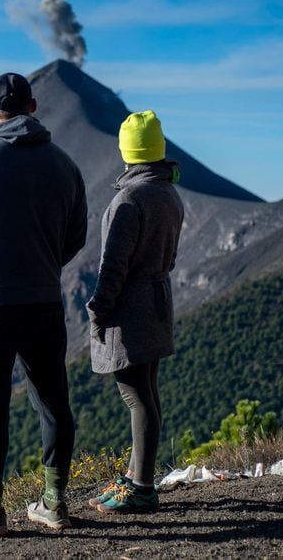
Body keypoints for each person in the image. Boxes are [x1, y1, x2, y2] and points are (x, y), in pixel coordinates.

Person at [0, 72, 87, 536]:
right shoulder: (65, 164)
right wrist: (44, 265)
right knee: (53, 403)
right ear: (34, 107)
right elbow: (76, 236)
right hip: (42, 301)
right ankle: (55, 503)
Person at [86, 110, 184, 514]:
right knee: (148, 392)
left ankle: (142, 487)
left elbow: (114, 267)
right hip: (158, 301)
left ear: (128, 152)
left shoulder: (128, 200)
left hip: (131, 309)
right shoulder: (168, 193)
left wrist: (98, 310)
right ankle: (133, 478)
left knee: (135, 397)